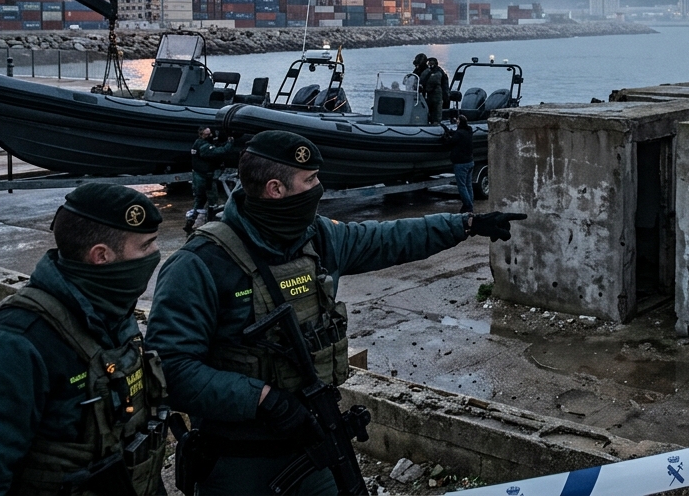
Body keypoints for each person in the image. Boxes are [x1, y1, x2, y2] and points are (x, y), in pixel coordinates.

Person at [145, 130, 524, 495]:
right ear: (275, 189)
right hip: (240, 458)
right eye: (309, 180)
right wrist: (262, 398)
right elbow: (171, 371)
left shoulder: (319, 237)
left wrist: (466, 224)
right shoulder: (200, 264)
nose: (319, 188)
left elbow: (388, 239)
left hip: (313, 443)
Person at [0, 184, 168, 496]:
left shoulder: (110, 315)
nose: (155, 255)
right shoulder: (12, 345)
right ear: (101, 256)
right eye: (146, 246)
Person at [186, 126, 233, 232]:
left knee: (199, 201)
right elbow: (219, 152)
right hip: (206, 178)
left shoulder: (197, 143)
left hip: (198, 176)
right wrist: (230, 143)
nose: (210, 136)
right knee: (212, 201)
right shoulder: (204, 147)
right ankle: (210, 223)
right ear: (202, 135)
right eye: (208, 134)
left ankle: (191, 223)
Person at [445, 115, 476, 213]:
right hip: (470, 162)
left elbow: (450, 143)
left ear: (459, 122)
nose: (456, 121)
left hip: (460, 164)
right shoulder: (469, 131)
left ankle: (468, 206)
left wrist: (445, 137)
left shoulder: (459, 134)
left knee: (462, 186)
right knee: (468, 186)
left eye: (457, 120)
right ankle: (469, 205)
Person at [423, 57, 449, 124]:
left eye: (431, 62)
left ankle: (436, 122)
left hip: (437, 94)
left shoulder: (438, 72)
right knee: (429, 107)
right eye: (429, 63)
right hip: (429, 94)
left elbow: (435, 81)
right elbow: (421, 79)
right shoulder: (427, 71)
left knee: (437, 108)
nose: (430, 64)